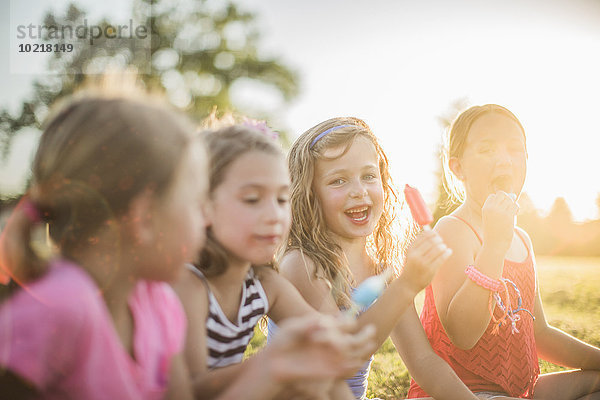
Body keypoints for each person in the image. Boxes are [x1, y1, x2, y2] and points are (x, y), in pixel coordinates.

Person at [0, 78, 207, 399]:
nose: (206, 218)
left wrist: (271, 372)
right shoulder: (57, 310)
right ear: (144, 218)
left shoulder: (159, 302)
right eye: (196, 202)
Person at [275, 117, 479, 399]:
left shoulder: (380, 271)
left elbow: (423, 362)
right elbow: (340, 357)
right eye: (338, 180)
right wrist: (406, 285)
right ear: (309, 194)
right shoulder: (301, 266)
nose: (358, 190)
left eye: (369, 176)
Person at [172, 122, 378, 400]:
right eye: (253, 199)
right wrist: (271, 365)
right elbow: (188, 391)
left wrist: (332, 338)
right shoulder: (188, 286)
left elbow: (322, 338)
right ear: (205, 206)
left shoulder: (264, 284)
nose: (273, 215)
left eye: (281, 199)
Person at [409, 104, 600, 399]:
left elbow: (540, 334)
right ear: (457, 167)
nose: (504, 160)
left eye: (514, 149)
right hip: (464, 392)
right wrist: (494, 246)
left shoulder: (522, 237)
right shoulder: (453, 230)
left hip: (519, 391)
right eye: (487, 150)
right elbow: (463, 335)